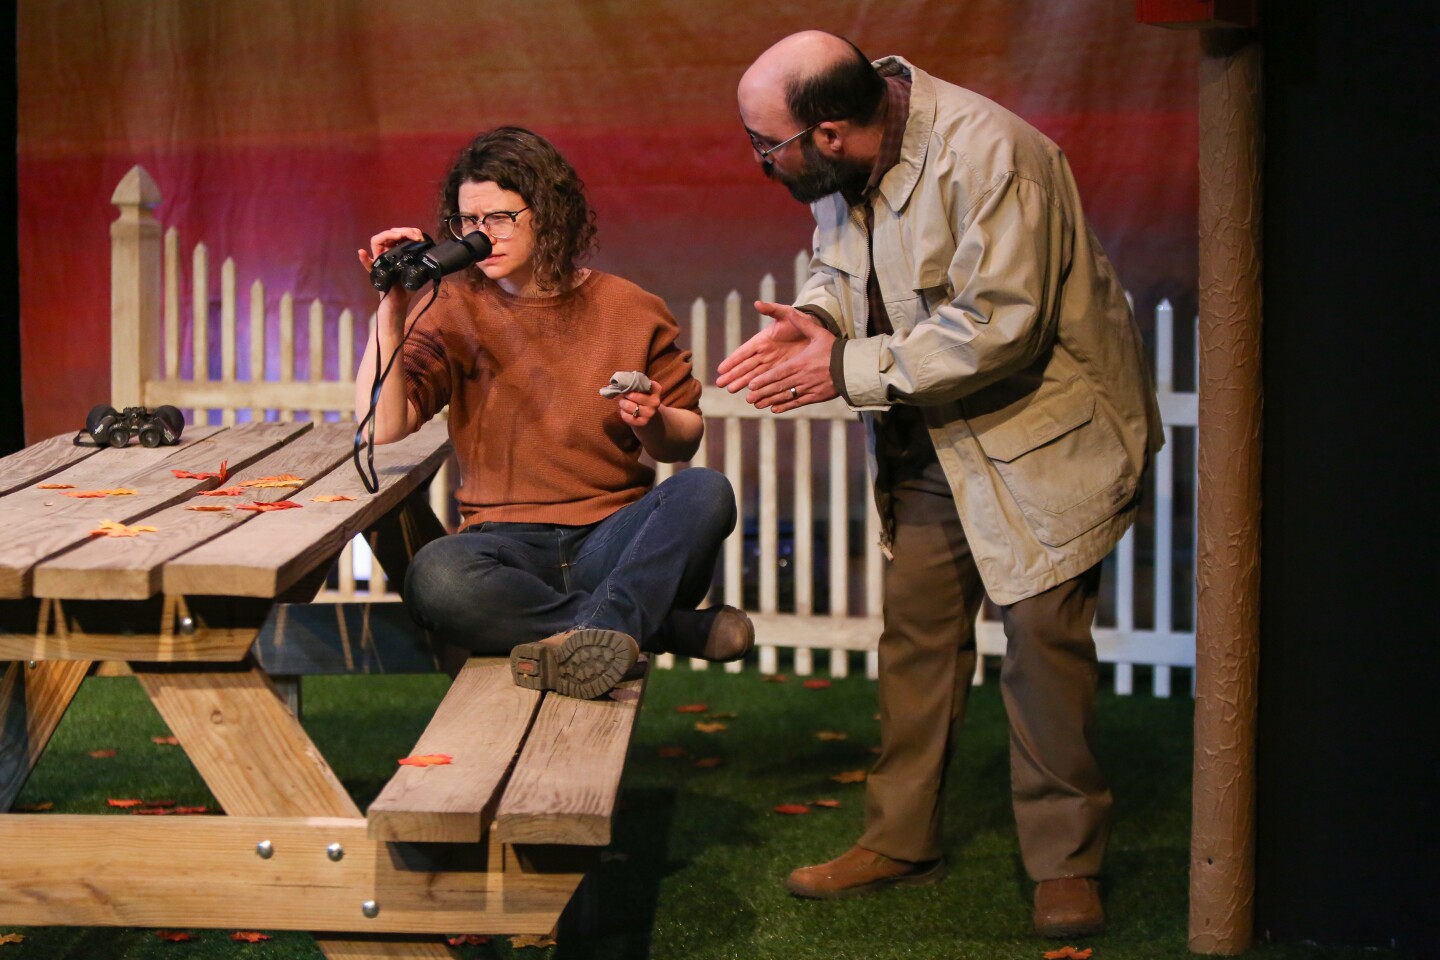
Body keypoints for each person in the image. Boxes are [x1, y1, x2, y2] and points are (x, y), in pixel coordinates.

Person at [718, 33, 1164, 938]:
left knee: (1043, 652)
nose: (761, 161)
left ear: (829, 130)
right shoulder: (846, 163)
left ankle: (1065, 863)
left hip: (1038, 439)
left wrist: (842, 368)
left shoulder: (994, 157)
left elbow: (999, 325)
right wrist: (814, 319)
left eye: (768, 145)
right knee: (916, 638)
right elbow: (841, 268)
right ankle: (901, 839)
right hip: (933, 435)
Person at [355, 126, 753, 700]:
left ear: (547, 213)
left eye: (499, 218)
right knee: (436, 576)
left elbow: (683, 439)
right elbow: (383, 426)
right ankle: (653, 628)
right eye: (467, 221)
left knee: (705, 490)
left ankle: (604, 626)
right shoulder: (452, 307)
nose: (481, 236)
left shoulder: (630, 307)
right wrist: (391, 310)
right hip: (506, 551)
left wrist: (654, 420)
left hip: (613, 541)